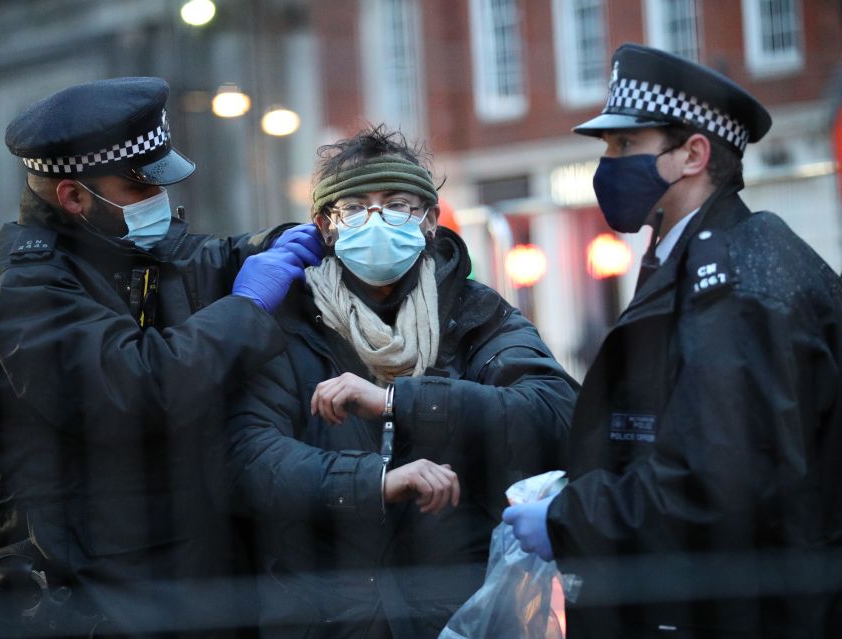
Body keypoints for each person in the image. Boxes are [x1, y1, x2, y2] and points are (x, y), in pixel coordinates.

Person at [0, 77, 323, 639]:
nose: (158, 202)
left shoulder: (115, 250)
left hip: (151, 589)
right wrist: (247, 306)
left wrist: (288, 242)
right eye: (140, 188)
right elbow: (142, 387)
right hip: (67, 603)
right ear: (73, 196)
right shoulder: (21, 290)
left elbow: (207, 257)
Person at [502, 43, 842, 637]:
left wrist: (568, 518)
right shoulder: (700, 256)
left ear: (693, 154)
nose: (607, 164)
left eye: (626, 146)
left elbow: (717, 482)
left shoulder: (734, 279)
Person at [223, 125, 579, 638]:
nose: (377, 220)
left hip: (453, 617)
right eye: (354, 208)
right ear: (325, 226)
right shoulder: (285, 327)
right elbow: (249, 459)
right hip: (319, 621)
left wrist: (398, 401)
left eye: (397, 204)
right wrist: (374, 483)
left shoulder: (476, 315)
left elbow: (556, 414)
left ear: (430, 221)